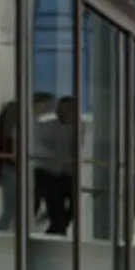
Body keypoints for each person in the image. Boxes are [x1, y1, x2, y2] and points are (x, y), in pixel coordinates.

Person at [35, 95, 81, 235]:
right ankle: (56, 232)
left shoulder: (79, 128)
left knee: (74, 210)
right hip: (53, 175)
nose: (57, 113)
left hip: (69, 175)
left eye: (62, 110)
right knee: (56, 210)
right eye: (58, 109)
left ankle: (56, 231)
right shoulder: (49, 127)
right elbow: (38, 145)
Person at [0, 99, 21, 233]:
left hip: (5, 169)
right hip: (13, 170)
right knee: (13, 208)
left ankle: (1, 232)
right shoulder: (13, 132)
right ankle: (1, 232)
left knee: (10, 207)